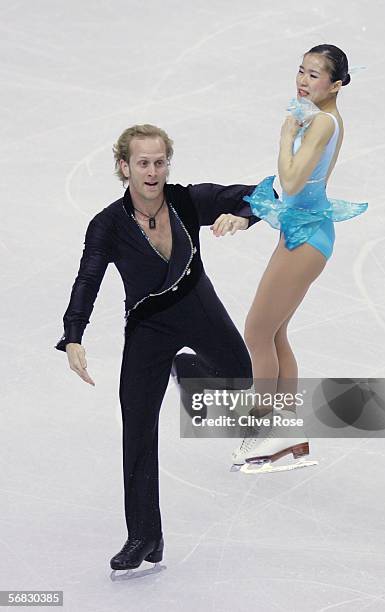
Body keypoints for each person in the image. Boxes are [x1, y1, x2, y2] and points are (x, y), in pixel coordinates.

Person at [54, 123, 261, 572]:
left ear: (168, 164)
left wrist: (245, 215)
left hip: (197, 306)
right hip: (148, 327)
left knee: (239, 376)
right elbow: (87, 279)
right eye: (142, 163)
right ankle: (144, 536)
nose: (152, 172)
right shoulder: (107, 224)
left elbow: (262, 193)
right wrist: (74, 334)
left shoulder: (188, 200)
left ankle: (184, 368)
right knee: (137, 426)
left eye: (159, 162)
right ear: (124, 167)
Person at [229, 44, 368, 473]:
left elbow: (290, 181)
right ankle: (286, 433)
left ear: (336, 84)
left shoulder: (323, 122)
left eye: (314, 75)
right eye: (301, 71)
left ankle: (262, 434)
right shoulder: (321, 116)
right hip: (305, 231)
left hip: (306, 237)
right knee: (274, 334)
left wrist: (287, 136)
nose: (303, 81)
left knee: (256, 332)